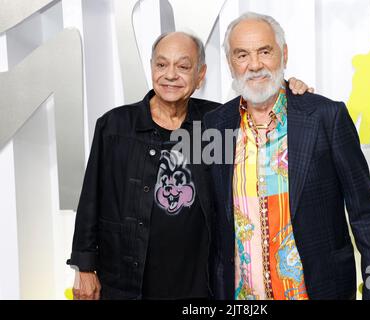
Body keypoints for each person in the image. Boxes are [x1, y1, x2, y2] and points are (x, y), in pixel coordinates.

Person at [67, 31, 312, 300]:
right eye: (161, 65)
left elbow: (264, 110)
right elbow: (91, 199)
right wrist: (85, 267)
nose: (170, 75)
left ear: (200, 74)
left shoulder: (218, 123)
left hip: (199, 285)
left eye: (183, 67)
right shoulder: (115, 125)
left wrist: (293, 93)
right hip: (127, 281)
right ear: (151, 67)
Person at [204, 12, 370, 300]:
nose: (254, 65)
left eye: (265, 51)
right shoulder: (213, 125)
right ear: (231, 64)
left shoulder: (325, 117)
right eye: (242, 55)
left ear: (284, 54)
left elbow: (367, 220)